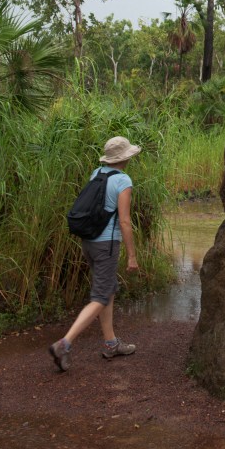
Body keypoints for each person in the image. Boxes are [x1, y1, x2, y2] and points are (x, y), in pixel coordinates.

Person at [49, 136, 141, 372]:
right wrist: (131, 255)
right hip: (107, 245)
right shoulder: (123, 180)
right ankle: (64, 344)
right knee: (100, 296)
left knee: (107, 290)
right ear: (125, 158)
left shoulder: (96, 173)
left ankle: (111, 343)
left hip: (88, 242)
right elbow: (124, 221)